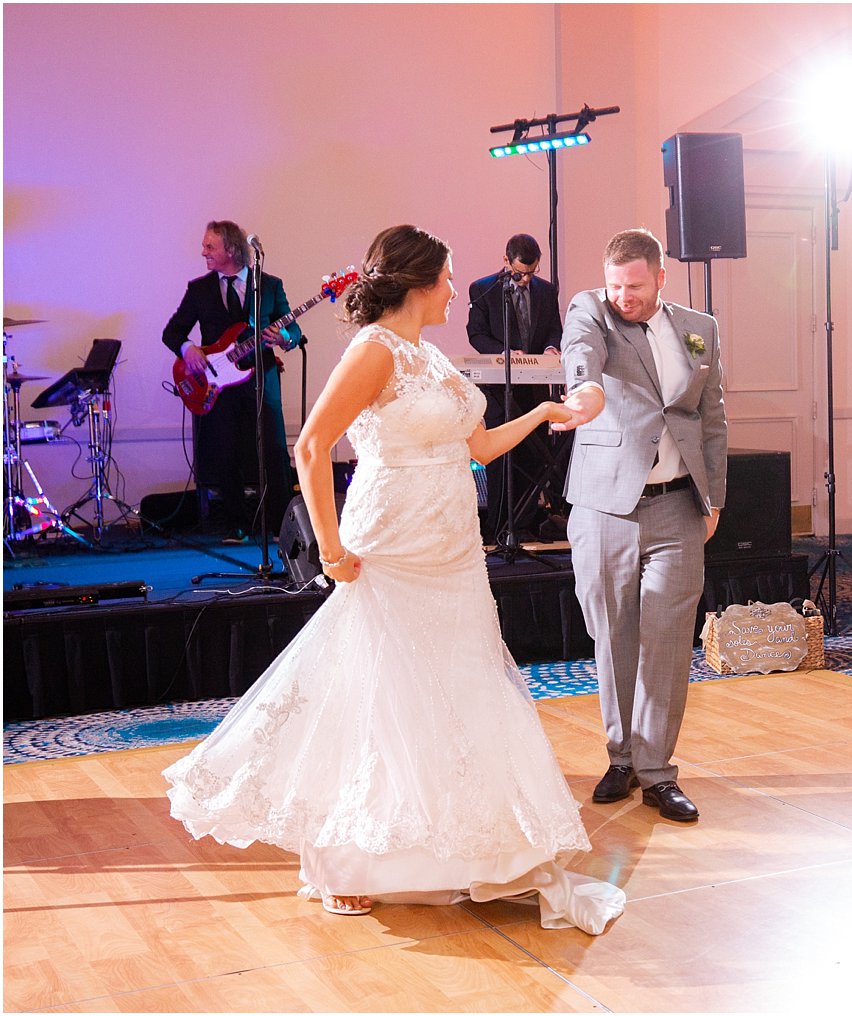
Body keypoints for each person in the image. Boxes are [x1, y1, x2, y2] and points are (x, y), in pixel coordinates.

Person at [164, 225, 625, 932]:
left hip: (452, 549)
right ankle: (347, 863)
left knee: (454, 689)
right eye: (445, 278)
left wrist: (541, 413)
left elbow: (476, 445)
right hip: (392, 544)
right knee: (376, 690)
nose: (452, 289)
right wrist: (328, 548)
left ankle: (461, 850)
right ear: (415, 283)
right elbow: (312, 445)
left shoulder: (429, 356)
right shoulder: (375, 351)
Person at [551, 227, 728, 823]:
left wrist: (715, 498)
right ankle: (619, 757)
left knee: (669, 640)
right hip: (606, 505)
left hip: (679, 504)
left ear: (660, 278)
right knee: (614, 633)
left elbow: (712, 417)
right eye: (615, 285)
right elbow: (581, 350)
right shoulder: (591, 310)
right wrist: (584, 390)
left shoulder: (700, 328)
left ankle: (656, 771)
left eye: (635, 285)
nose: (623, 296)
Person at [162, 220, 299, 542]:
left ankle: (279, 525)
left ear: (232, 250)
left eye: (210, 247)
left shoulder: (269, 285)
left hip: (261, 377)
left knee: (274, 450)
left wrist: (283, 337)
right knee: (225, 452)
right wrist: (189, 349)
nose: (203, 252)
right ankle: (236, 525)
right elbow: (172, 332)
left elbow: (295, 331)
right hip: (218, 384)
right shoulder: (199, 289)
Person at [466, 234, 565, 544]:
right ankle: (498, 527)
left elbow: (554, 329)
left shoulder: (546, 291)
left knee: (535, 454)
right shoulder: (483, 289)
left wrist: (550, 348)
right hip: (499, 388)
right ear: (505, 261)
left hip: (533, 387)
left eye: (532, 273)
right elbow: (476, 333)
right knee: (502, 456)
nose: (525, 280)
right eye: (520, 272)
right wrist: (504, 352)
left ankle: (524, 524)